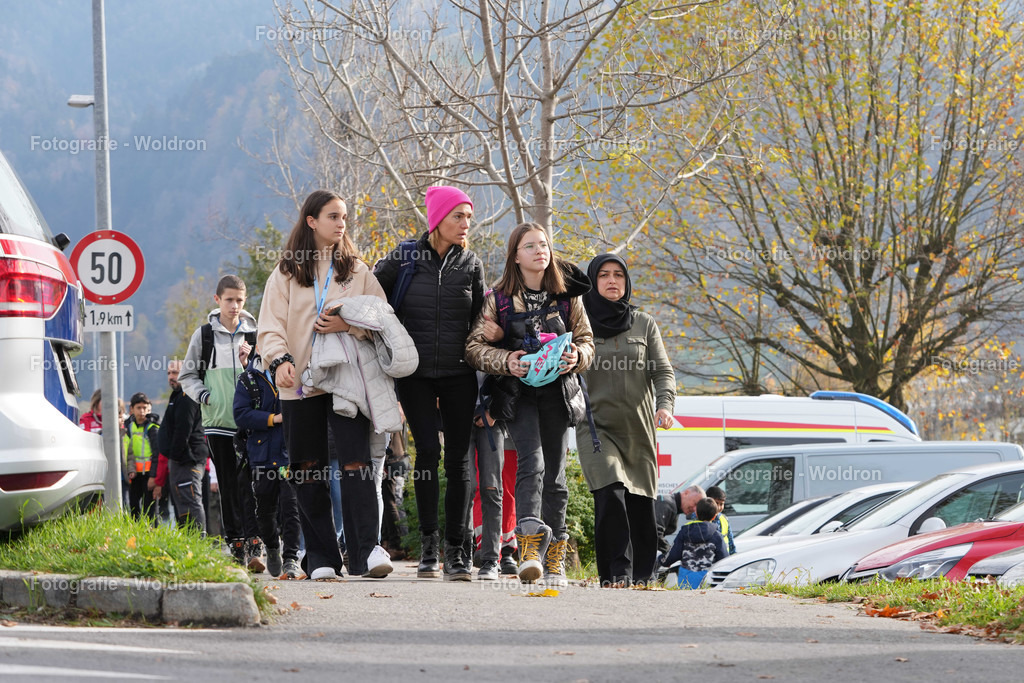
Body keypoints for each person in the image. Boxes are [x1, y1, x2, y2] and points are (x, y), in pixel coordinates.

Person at [258, 189, 393, 581]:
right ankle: (321, 558)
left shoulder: (357, 271)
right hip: (298, 384)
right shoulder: (285, 272)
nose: (342, 223)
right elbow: (269, 328)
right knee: (306, 469)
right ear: (312, 221)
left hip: (348, 382)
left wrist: (347, 325)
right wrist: (279, 360)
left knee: (356, 464)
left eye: (345, 216)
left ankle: (367, 551)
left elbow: (383, 320)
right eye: (333, 216)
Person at [465, 222, 595, 585]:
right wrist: (507, 361)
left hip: (559, 395)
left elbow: (587, 342)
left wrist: (576, 357)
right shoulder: (499, 299)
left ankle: (555, 560)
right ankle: (528, 553)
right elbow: (474, 348)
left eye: (544, 244)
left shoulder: (569, 297)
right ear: (516, 256)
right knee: (531, 465)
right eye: (530, 246)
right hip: (518, 396)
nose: (540, 250)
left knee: (555, 474)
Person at [373, 185, 485, 581]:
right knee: (425, 460)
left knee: (457, 462)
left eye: (469, 217)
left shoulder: (471, 264)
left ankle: (457, 551)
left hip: (458, 376)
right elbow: (371, 298)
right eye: (459, 216)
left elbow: (478, 325)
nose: (466, 224)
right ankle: (428, 549)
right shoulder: (404, 258)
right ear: (438, 220)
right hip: (415, 375)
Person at [577, 254, 677, 587]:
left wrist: (664, 406)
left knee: (640, 503)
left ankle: (642, 575)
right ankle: (616, 573)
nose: (612, 281)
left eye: (618, 275)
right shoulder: (578, 322)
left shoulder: (644, 323)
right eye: (603, 275)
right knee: (611, 491)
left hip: (639, 430)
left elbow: (662, 372)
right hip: (595, 428)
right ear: (592, 281)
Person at [178, 274, 261, 565]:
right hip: (217, 422)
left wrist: (248, 364)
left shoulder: (255, 334)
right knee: (228, 484)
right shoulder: (204, 336)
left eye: (239, 300)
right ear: (217, 300)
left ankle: (255, 543)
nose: (234, 305)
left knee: (253, 482)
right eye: (229, 300)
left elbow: (266, 376)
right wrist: (206, 397)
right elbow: (187, 376)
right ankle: (236, 542)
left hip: (251, 423)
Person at [233, 346, 304, 579]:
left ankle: (291, 558)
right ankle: (272, 546)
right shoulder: (249, 379)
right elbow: (241, 415)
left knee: (291, 508)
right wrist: (273, 419)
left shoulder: (297, 369)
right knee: (264, 510)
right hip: (261, 456)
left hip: (289, 454)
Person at [160, 359, 209, 533]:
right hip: (179, 460)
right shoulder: (178, 395)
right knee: (182, 502)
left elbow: (184, 429)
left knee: (191, 500)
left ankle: (198, 542)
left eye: (175, 373)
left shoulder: (188, 395)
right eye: (168, 373)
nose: (171, 377)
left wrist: (177, 453)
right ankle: (188, 543)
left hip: (188, 459)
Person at [659, 497, 728, 589]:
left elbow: (674, 553)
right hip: (707, 580)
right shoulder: (716, 535)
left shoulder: (685, 532)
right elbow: (724, 559)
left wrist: (662, 560)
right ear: (714, 516)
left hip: (685, 578)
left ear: (696, 513)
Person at [122, 392, 160, 524]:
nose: (142, 411)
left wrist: (153, 477)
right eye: (139, 408)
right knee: (133, 508)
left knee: (150, 509)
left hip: (148, 475)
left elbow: (157, 453)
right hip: (133, 475)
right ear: (131, 409)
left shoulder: (152, 428)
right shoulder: (128, 427)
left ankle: (152, 536)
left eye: (145, 408)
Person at [654, 484, 705, 558]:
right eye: (695, 503)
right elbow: (655, 533)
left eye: (698, 507)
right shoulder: (666, 504)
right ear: (686, 493)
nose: (695, 509)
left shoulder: (672, 505)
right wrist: (670, 552)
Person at [706, 485, 736, 555]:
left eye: (721, 504)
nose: (719, 507)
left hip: (723, 560)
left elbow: (730, 541)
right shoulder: (701, 517)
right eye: (716, 503)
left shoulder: (724, 519)